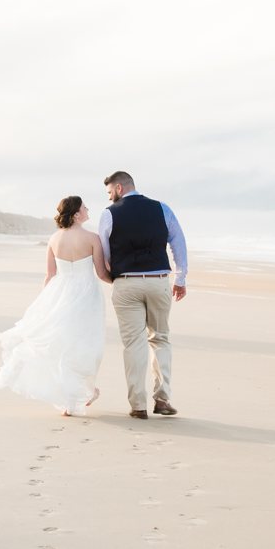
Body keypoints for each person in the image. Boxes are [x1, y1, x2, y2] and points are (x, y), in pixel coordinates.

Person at [0, 195, 111, 416]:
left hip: (60, 292)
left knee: (62, 344)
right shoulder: (92, 238)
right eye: (84, 208)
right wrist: (121, 281)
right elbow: (102, 273)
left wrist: (46, 302)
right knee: (84, 343)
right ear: (76, 214)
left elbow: (50, 275)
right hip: (86, 294)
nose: (88, 210)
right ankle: (82, 392)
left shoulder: (54, 239)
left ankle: (71, 398)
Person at [96, 171, 187, 420]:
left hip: (126, 283)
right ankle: (163, 398)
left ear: (119, 188)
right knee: (161, 339)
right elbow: (178, 242)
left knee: (133, 344)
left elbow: (104, 253)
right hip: (158, 282)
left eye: (109, 191)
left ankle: (138, 404)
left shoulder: (109, 214)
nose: (109, 196)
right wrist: (180, 278)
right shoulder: (162, 209)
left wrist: (112, 276)